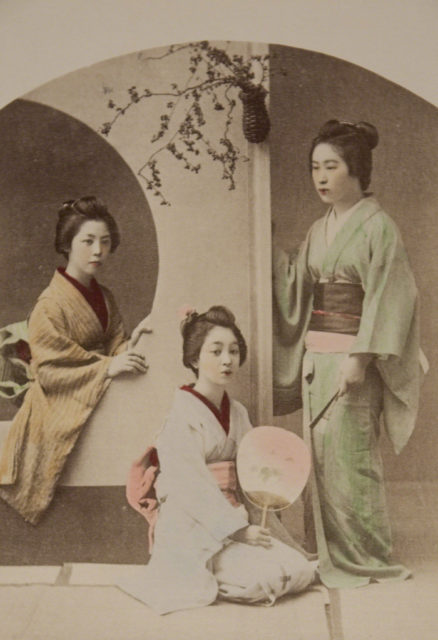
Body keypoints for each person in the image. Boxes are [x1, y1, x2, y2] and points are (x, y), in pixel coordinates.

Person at [273, 120, 425, 588]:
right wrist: (270, 249)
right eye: (315, 167)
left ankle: (367, 554)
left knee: (352, 458)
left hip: (354, 358)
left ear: (355, 168)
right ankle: (326, 550)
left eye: (331, 166)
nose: (320, 177)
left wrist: (359, 358)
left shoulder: (379, 227)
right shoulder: (319, 229)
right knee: (319, 457)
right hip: (317, 358)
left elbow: (390, 296)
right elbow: (299, 284)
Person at [119, 305, 316, 614]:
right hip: (194, 526)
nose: (227, 360)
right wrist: (236, 530)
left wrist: (253, 519)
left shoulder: (237, 413)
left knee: (299, 568)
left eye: (234, 351)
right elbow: (190, 487)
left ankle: (235, 567)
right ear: (194, 359)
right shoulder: (181, 417)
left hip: (235, 517)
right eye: (216, 351)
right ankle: (215, 573)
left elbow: (251, 471)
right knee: (266, 579)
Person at [0, 196, 152, 524]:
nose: (98, 251)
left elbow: (116, 344)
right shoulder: (49, 305)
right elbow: (50, 371)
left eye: (105, 242)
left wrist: (133, 345)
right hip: (55, 402)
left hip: (97, 395)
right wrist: (107, 366)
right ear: (67, 244)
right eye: (88, 241)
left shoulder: (105, 296)